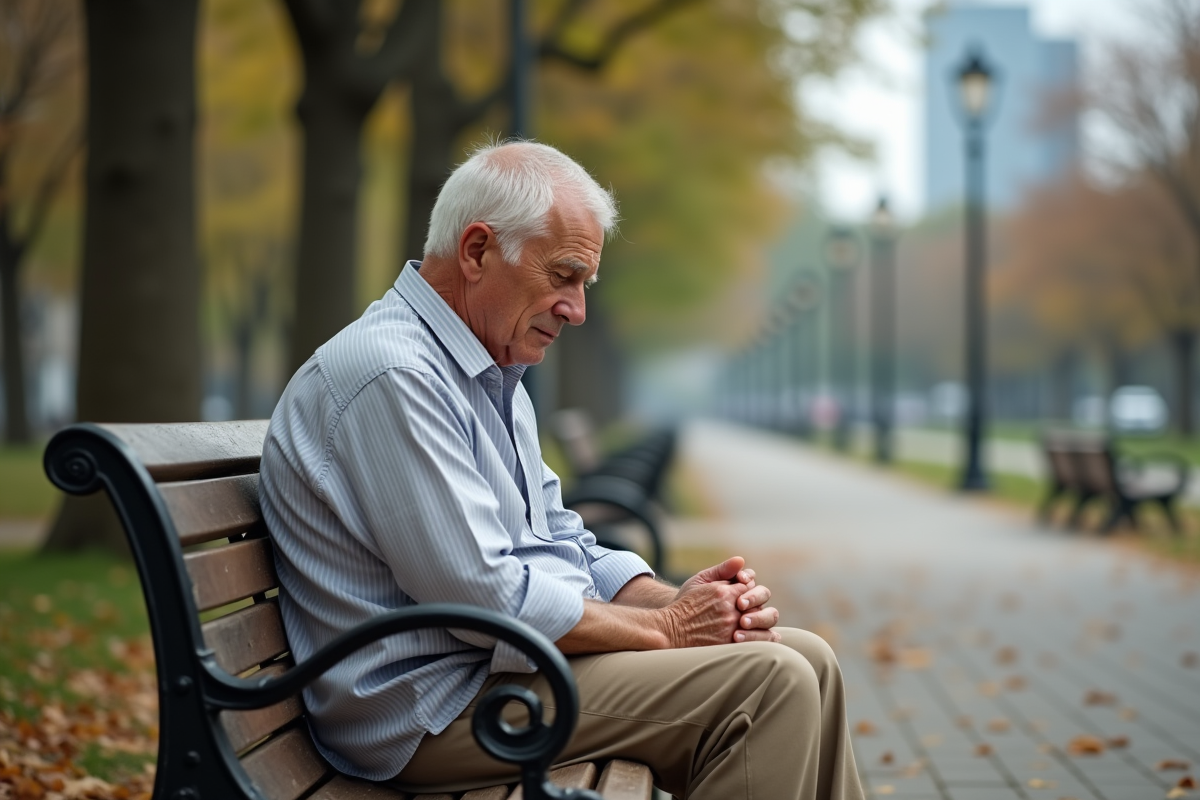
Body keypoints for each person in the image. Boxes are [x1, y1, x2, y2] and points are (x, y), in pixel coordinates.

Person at [259, 140, 864, 800]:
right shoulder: (395, 376)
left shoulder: (490, 372)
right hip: (427, 708)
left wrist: (679, 602)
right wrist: (667, 630)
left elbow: (559, 539)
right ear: (477, 251)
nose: (576, 310)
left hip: (490, 674)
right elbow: (480, 598)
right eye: (563, 276)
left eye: (583, 284)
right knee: (770, 684)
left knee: (809, 659)